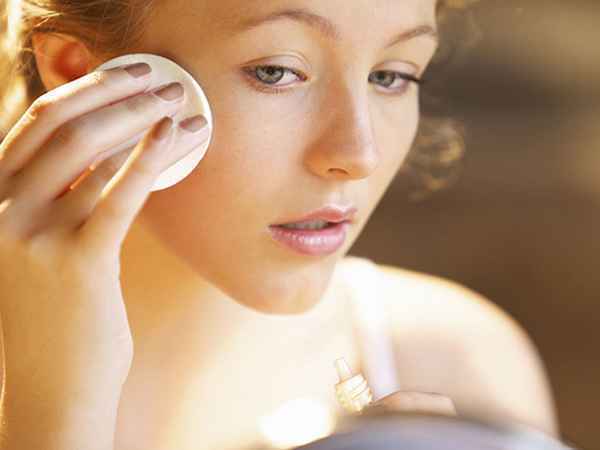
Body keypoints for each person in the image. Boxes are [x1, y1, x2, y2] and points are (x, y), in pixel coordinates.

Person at [0, 1, 558, 449]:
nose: (357, 154)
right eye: (276, 72)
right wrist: (54, 422)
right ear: (79, 73)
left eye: (391, 76)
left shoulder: (458, 365)